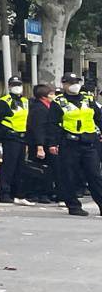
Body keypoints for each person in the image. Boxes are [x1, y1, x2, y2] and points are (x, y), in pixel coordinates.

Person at [48, 74, 102, 216]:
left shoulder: (88, 99)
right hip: (70, 143)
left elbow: (98, 117)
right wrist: (53, 143)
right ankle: (73, 206)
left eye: (77, 82)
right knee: (69, 176)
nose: (75, 85)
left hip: (89, 142)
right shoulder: (58, 102)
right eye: (71, 83)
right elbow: (52, 124)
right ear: (64, 85)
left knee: (95, 175)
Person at [0, 75, 31, 204]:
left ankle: (18, 193)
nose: (17, 88)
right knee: (9, 166)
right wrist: (1, 137)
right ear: (9, 87)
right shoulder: (4, 101)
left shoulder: (25, 101)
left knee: (20, 167)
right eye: (14, 85)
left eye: (19, 85)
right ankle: (4, 193)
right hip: (10, 137)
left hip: (22, 137)